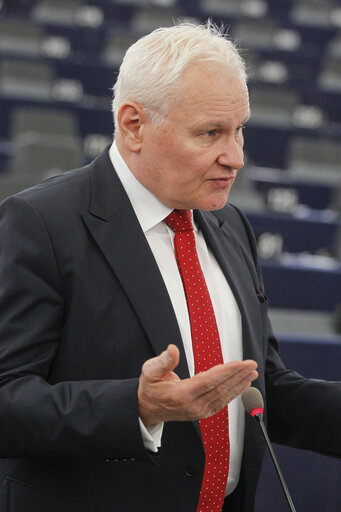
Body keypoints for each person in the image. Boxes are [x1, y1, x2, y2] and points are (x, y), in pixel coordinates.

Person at [0, 21, 339, 512]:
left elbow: (257, 389)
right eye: (211, 133)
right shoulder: (40, 223)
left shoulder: (230, 225)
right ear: (134, 125)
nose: (236, 156)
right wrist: (135, 408)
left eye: (240, 129)